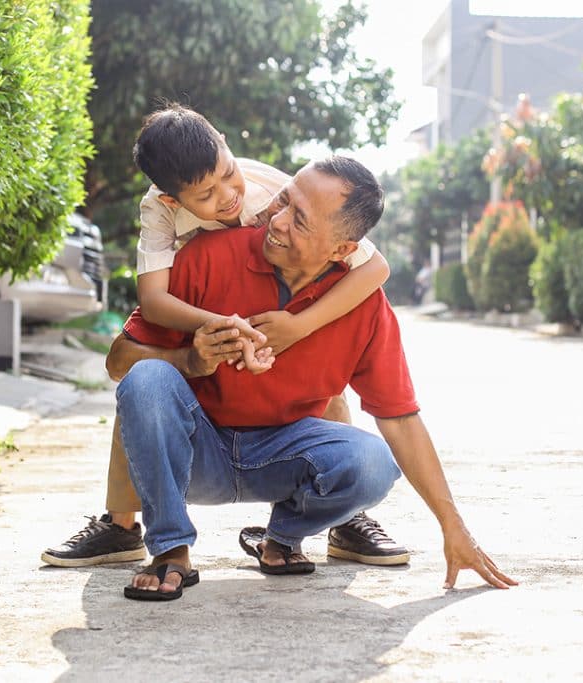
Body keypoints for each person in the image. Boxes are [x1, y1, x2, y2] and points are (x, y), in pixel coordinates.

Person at [108, 155, 517, 600]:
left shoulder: (363, 306)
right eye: (283, 201)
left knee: (372, 462)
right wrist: (190, 360)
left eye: (299, 221)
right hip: (196, 454)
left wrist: (453, 527)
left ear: (342, 250)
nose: (277, 222)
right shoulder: (209, 256)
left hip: (285, 458)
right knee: (147, 379)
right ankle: (170, 549)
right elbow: (119, 362)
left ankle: (281, 537)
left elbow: (400, 418)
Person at [42, 105, 408, 568]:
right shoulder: (162, 214)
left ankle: (343, 516)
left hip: (284, 364)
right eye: (207, 195)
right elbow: (153, 303)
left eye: (227, 175)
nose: (229, 198)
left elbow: (375, 267)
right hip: (204, 330)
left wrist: (299, 326)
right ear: (174, 200)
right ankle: (122, 525)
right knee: (146, 380)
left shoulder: (273, 190)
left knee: (326, 379)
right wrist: (218, 326)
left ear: (223, 140)